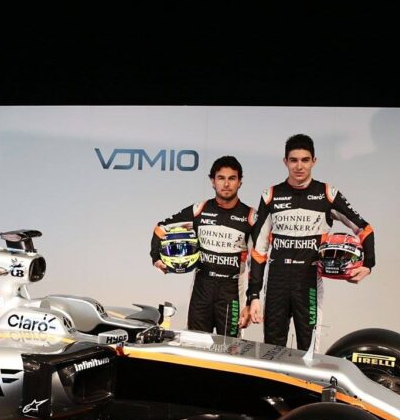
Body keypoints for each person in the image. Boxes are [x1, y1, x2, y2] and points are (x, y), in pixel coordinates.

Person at [248, 134, 375, 348]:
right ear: (285, 161)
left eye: (305, 160)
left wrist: (368, 264)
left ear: (314, 161)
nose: (299, 166)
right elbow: (259, 250)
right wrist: (253, 295)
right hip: (277, 281)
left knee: (309, 353)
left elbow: (364, 228)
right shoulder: (270, 195)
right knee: (272, 350)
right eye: (294, 160)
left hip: (309, 281)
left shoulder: (327, 194)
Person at [150, 156, 255, 337]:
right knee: (195, 343)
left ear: (240, 182)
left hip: (231, 292)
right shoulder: (199, 210)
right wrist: (156, 258)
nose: (226, 184)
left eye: (232, 178)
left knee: (231, 348)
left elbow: (258, 261)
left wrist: (251, 300)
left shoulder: (251, 217)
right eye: (221, 178)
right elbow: (161, 228)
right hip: (202, 288)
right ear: (213, 181)